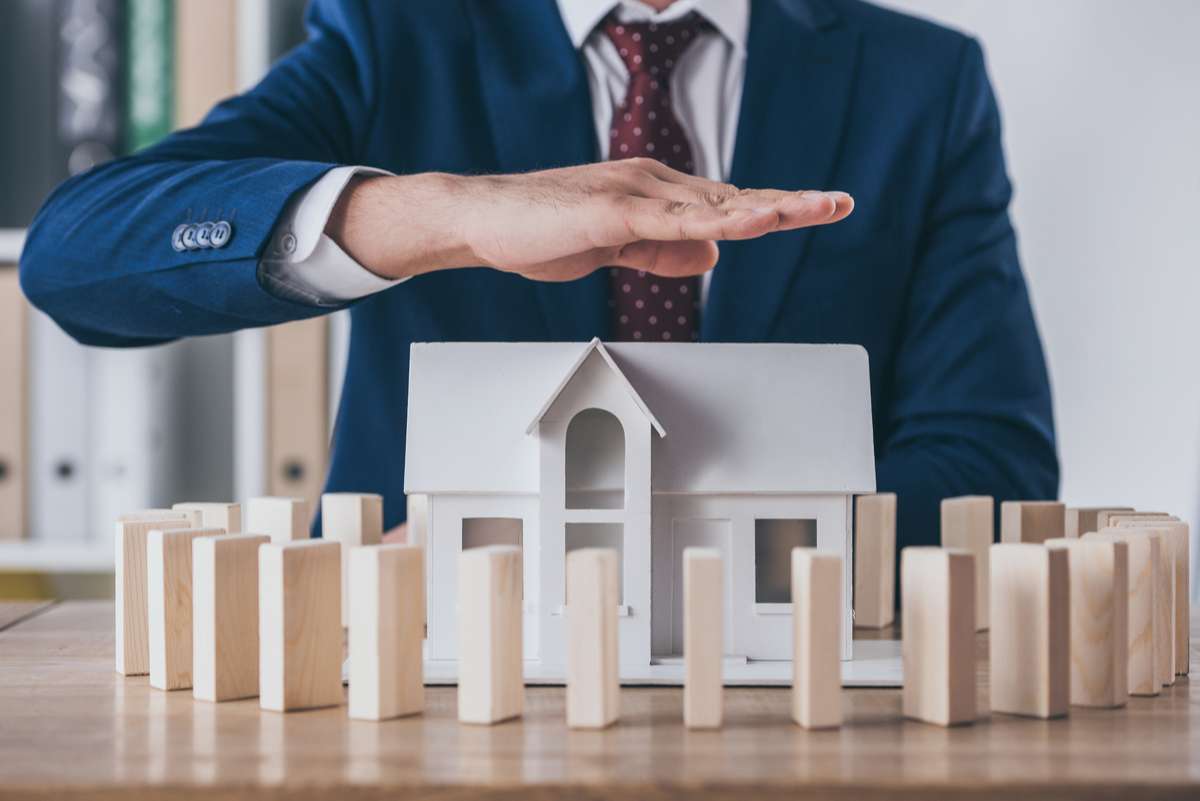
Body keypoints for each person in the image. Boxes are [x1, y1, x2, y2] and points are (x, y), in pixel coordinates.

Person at [19, 0, 1057, 548]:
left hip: (795, 685)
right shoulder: (397, 32)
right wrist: (445, 212)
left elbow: (994, 468)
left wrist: (611, 547)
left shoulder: (923, 80)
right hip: (419, 689)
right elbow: (76, 259)